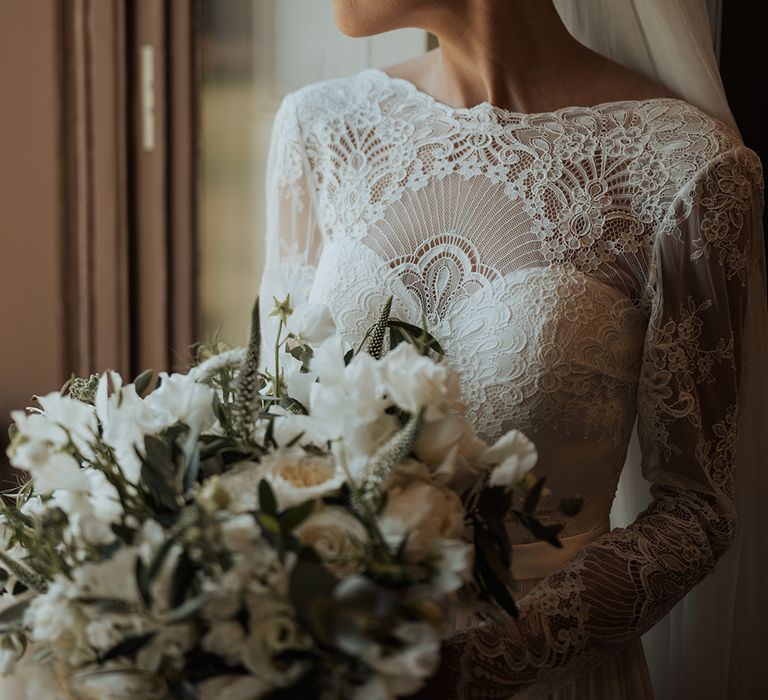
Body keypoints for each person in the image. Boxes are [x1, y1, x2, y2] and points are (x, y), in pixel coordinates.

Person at [260, 0, 766, 697]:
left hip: (548, 679)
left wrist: (470, 667)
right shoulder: (320, 127)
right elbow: (267, 425)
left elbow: (696, 513)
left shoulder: (682, 165)